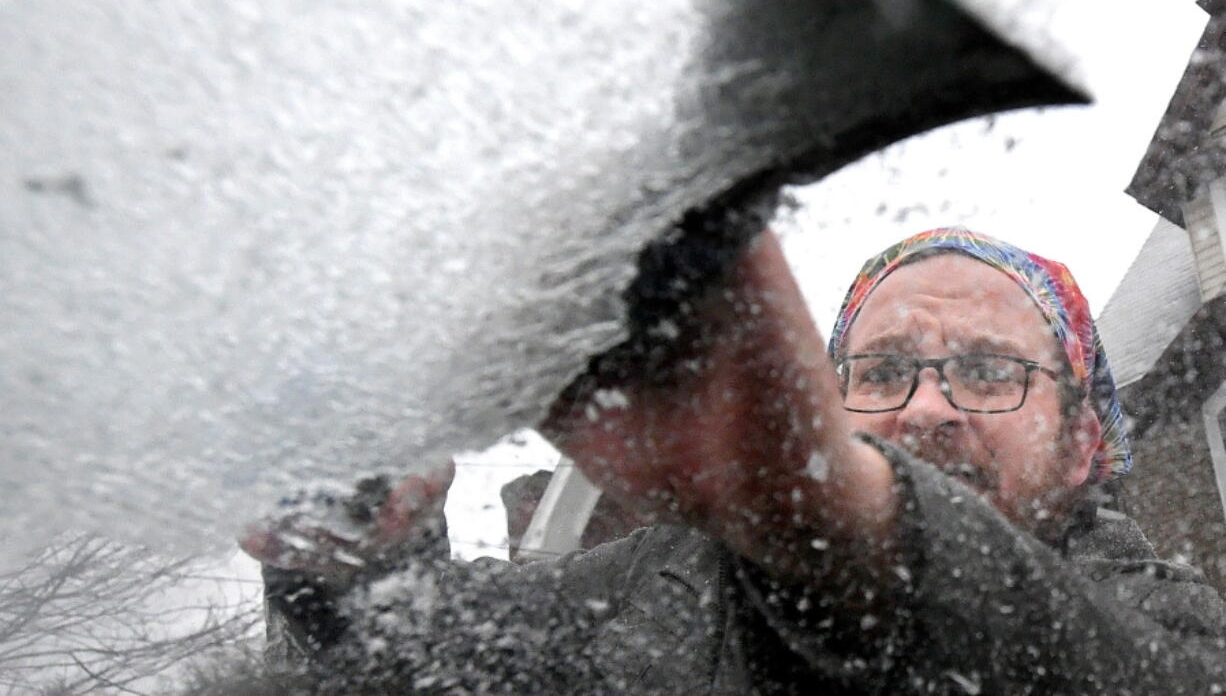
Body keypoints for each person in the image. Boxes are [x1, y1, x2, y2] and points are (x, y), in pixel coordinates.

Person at [240, 226, 1226, 694]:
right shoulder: (651, 581)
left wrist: (839, 530)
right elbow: (412, 657)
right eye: (879, 370)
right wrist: (353, 563)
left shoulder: (1175, 632)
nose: (926, 407)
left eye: (986, 370)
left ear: (1082, 438)